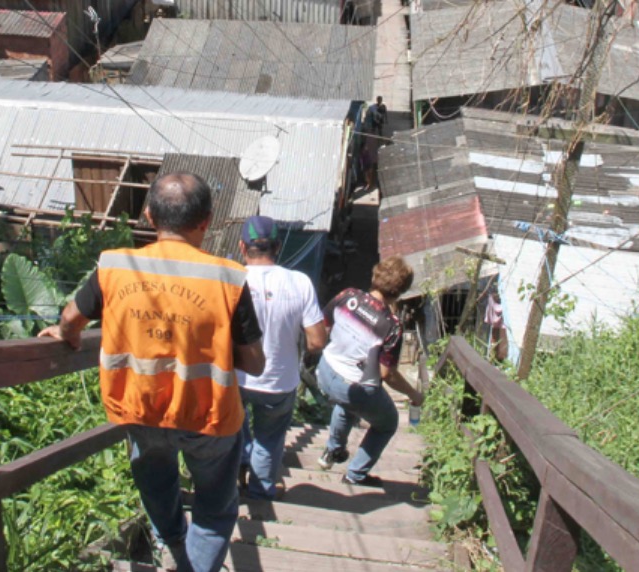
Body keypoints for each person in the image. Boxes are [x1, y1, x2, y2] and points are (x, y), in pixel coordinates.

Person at [38, 172, 265, 572]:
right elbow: (254, 362)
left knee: (158, 486)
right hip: (208, 416)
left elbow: (72, 319)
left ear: (147, 216)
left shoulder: (115, 267)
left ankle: (173, 547)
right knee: (214, 509)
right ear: (206, 221)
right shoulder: (228, 277)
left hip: (140, 407)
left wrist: (64, 333)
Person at [236, 216, 327, 500]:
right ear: (277, 246)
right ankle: (260, 491)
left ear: (242, 247)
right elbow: (317, 340)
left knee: (234, 429)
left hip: (236, 377)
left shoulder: (231, 279)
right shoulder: (299, 282)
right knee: (270, 437)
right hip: (279, 380)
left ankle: (238, 469)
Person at [315, 257, 423, 486]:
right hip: (354, 388)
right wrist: (413, 394)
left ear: (375, 276)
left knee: (347, 403)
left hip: (324, 371)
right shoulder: (391, 325)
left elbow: (323, 323)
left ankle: (332, 450)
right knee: (388, 422)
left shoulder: (348, 295)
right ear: (401, 290)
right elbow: (387, 374)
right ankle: (355, 475)